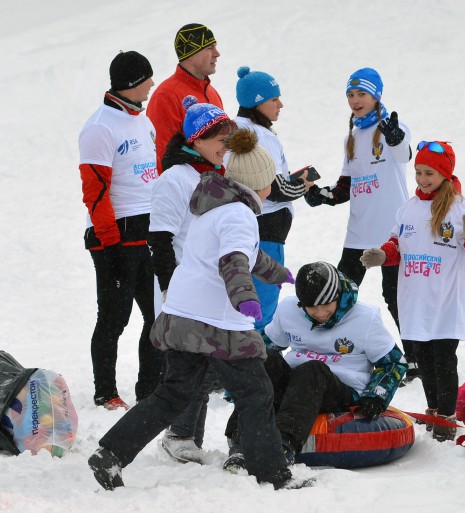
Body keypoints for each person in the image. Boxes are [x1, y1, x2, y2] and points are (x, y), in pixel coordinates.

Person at [88, 129, 304, 491]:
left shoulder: (215, 208)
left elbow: (248, 254)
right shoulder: (240, 215)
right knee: (256, 392)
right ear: (259, 185)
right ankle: (273, 474)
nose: (273, 187)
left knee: (174, 393)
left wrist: (277, 272)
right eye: (271, 182)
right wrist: (244, 299)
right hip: (217, 321)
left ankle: (111, 452)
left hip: (184, 313)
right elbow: (234, 260)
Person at [360, 141, 465, 442]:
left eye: (429, 173)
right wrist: (382, 255)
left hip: (446, 300)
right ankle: (433, 409)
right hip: (414, 301)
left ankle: (446, 416)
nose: (422, 179)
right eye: (418, 172)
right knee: (423, 359)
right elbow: (397, 244)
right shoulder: (408, 208)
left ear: (445, 173)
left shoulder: (461, 208)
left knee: (444, 359)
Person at [223, 261, 407, 470]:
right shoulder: (288, 310)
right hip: (295, 384)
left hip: (340, 389)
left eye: (326, 305)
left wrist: (375, 397)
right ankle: (240, 444)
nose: (320, 313)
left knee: (312, 370)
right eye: (312, 307)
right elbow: (262, 348)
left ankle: (283, 447)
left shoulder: (364, 319)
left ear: (337, 296)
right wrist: (239, 384)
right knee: (269, 360)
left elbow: (393, 362)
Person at [304, 67, 417, 378]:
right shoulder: (351, 138)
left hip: (392, 232)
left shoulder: (392, 127)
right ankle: (333, 351)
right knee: (340, 295)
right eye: (350, 95)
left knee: (394, 296)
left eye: (361, 94)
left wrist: (394, 137)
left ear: (376, 96)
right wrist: (318, 194)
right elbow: (345, 187)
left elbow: (404, 153)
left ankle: (414, 359)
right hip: (358, 233)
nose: (355, 101)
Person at [147, 97, 237, 463]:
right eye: (220, 139)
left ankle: (185, 435)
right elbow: (159, 240)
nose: (226, 148)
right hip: (182, 288)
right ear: (197, 139)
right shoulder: (175, 179)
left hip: (210, 286)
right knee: (188, 366)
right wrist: (171, 289)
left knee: (204, 365)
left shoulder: (214, 174)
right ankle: (179, 435)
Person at [78, 50, 163, 410]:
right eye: (147, 78)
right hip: (114, 235)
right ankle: (105, 392)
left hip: (148, 232)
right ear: (131, 82)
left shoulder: (143, 122)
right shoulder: (100, 126)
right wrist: (110, 244)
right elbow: (94, 191)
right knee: (114, 317)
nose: (152, 84)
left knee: (157, 315)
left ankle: (149, 389)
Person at [231, 66, 316, 331]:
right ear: (257, 103)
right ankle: (259, 364)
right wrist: (303, 184)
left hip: (247, 226)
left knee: (244, 301)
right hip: (266, 230)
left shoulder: (237, 128)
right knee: (263, 308)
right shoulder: (261, 136)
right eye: (274, 99)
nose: (281, 104)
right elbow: (275, 188)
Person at [146, 23, 223, 174]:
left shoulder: (211, 92)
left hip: (215, 189)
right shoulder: (166, 96)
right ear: (191, 54)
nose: (217, 53)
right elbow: (161, 155)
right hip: (187, 192)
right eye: (209, 48)